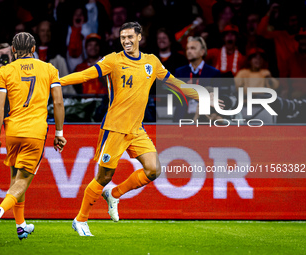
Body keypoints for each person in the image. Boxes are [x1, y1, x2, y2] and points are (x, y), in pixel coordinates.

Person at [60, 22, 222, 236]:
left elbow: (175, 83)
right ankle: (80, 219)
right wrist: (56, 82)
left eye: (130, 37)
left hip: (136, 129)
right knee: (104, 177)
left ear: (139, 37)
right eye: (122, 37)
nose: (126, 41)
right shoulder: (113, 60)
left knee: (154, 169)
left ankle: (115, 194)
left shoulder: (151, 62)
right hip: (114, 128)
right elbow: (85, 75)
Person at [0, 32, 66, 240]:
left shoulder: (5, 70)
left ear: (14, 51)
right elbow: (59, 103)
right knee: (23, 181)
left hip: (13, 131)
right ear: (34, 50)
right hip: (35, 132)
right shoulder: (49, 69)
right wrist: (59, 133)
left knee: (15, 179)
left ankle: (21, 225)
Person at [174, 36, 221, 121]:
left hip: (205, 117)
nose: (189, 51)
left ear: (202, 52)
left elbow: (217, 97)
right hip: (183, 116)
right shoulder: (180, 72)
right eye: (187, 48)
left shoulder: (214, 73)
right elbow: (173, 97)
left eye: (193, 48)